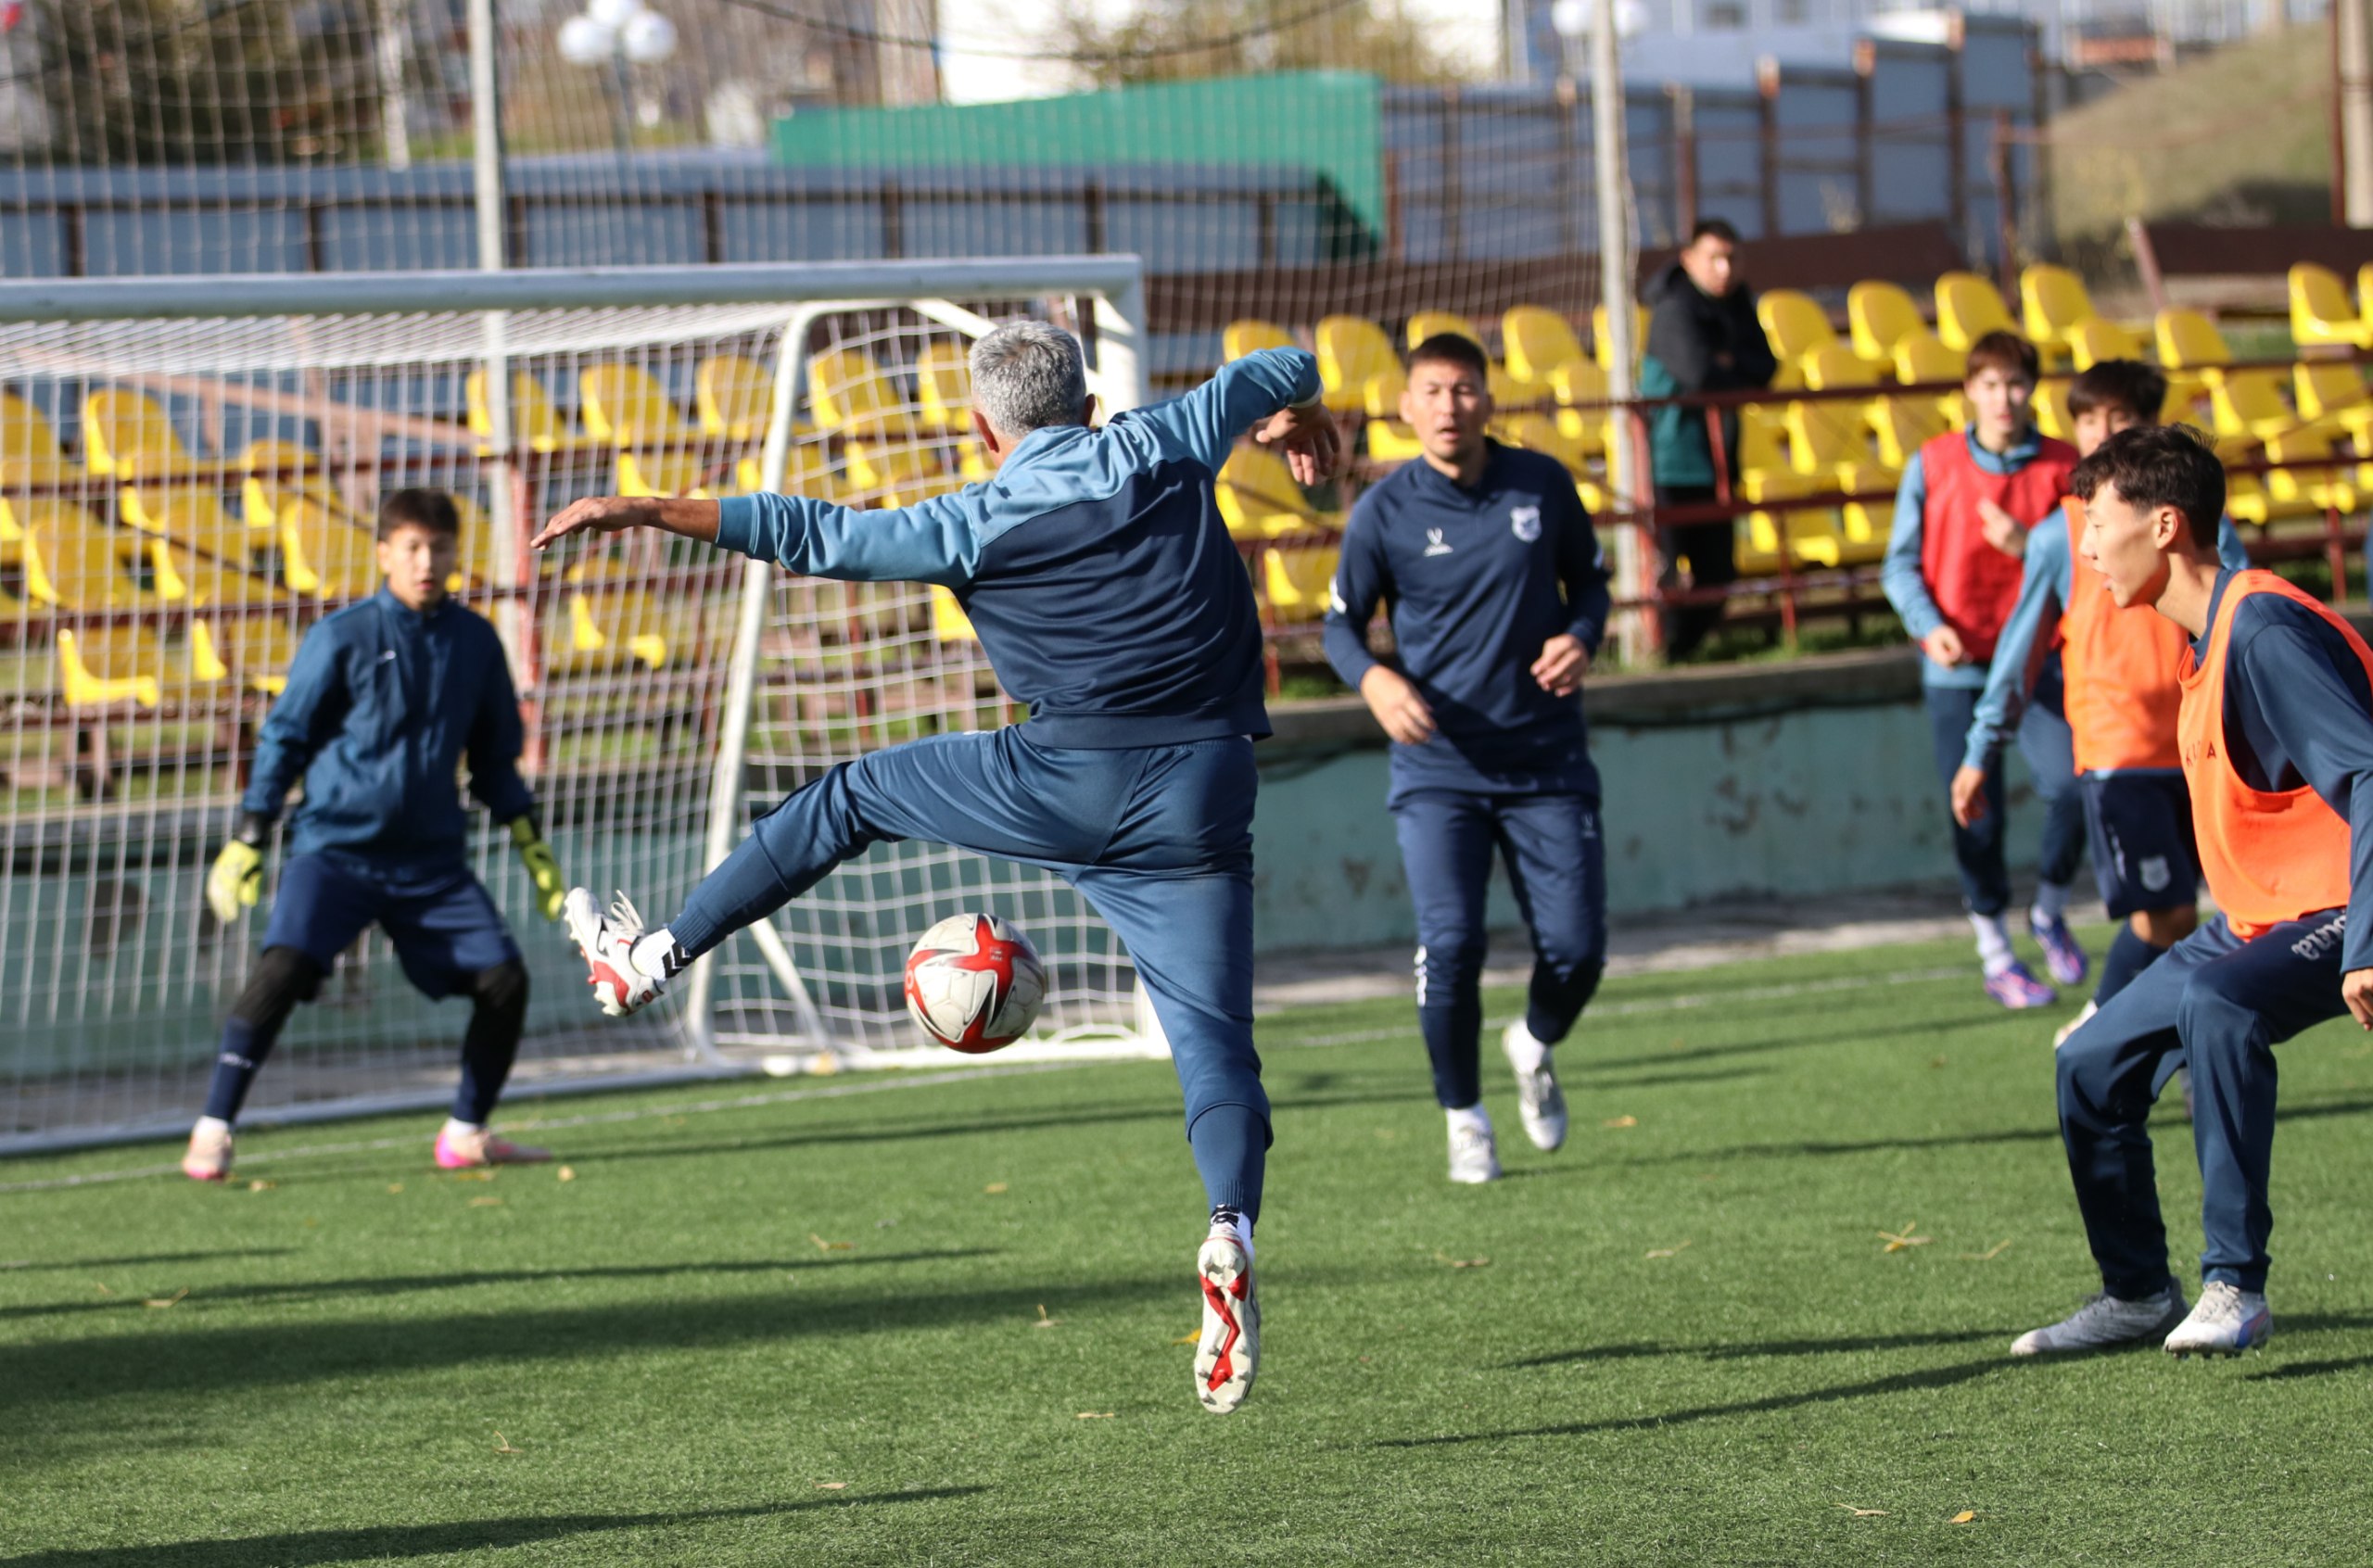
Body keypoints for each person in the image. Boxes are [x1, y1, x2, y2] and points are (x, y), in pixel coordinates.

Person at [532, 322, 1341, 1415]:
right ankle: (1228, 1228)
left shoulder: (968, 520)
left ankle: (653, 956)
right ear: (1091, 399)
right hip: (1203, 788)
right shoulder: (1171, 438)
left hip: (1062, 779)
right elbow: (1286, 360)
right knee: (1215, 1048)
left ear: (978, 426)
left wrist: (647, 508)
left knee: (851, 796)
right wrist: (1294, 412)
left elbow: (806, 531)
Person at [2014, 424, 2373, 1359]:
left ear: (2164, 525)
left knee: (2220, 1005)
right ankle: (2135, 1292)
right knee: (2088, 1062)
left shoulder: (2259, 627)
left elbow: (2368, 777)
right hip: (2264, 917)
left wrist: (2366, 942)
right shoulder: (2203, 637)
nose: (2082, 547)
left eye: (2096, 523)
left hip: (2348, 906)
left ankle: (2233, 1285)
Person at [184, 488, 569, 1183]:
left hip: (430, 863)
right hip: (336, 852)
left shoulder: (477, 642)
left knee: (504, 980)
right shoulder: (340, 636)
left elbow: (493, 759)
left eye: (441, 547)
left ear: (457, 553)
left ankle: (466, 1132)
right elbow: (285, 738)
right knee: (283, 967)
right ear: (384, 552)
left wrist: (529, 839)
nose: (428, 562)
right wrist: (249, 834)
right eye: (413, 547)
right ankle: (214, 1128)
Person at [1321, 333, 1610, 1184]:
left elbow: (1590, 584)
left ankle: (1533, 1041)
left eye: (1465, 389)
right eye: (1432, 391)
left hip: (1548, 759)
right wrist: (1373, 680)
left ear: (1489, 399)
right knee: (1450, 945)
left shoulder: (1542, 484)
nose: (1450, 406)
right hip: (1439, 766)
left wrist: (1583, 635)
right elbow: (1339, 624)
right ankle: (1464, 1115)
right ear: (1406, 408)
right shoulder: (1383, 510)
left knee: (1579, 950)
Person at [1950, 360, 2250, 1046]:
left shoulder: (2193, 524)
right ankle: (2102, 1028)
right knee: (2163, 917)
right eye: (2090, 421)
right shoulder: (2063, 535)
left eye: (2121, 419)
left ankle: (2183, 1053)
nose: (2104, 434)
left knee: (2233, 915)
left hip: (2202, 748)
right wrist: (1979, 751)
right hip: (2119, 755)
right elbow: (2019, 653)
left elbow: (2237, 613)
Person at [1880, 329, 2087, 1010]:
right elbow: (1899, 564)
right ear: (1969, 390)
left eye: (2017, 383)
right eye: (1991, 384)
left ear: (2035, 390)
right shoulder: (1933, 463)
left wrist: (2027, 546)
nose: (2005, 398)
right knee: (1977, 811)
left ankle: (2050, 910)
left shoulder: (2064, 466)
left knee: (2074, 785)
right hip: (1959, 668)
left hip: (2043, 661)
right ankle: (1995, 951)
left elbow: (2090, 565)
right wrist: (1927, 626)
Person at [1638, 218, 1780, 660]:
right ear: (1689, 259)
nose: (1723, 268)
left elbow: (1765, 367)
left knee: (1717, 575)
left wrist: (1727, 364)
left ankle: (1678, 655)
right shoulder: (1674, 310)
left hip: (1718, 462)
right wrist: (1730, 366)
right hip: (1669, 462)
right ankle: (1660, 658)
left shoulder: (1739, 303)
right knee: (1666, 572)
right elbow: (1700, 376)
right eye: (1713, 258)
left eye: (1731, 258)